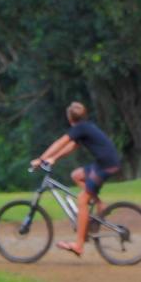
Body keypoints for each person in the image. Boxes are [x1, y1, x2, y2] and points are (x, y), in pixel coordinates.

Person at [30, 101, 121, 257]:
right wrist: (53, 158)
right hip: (105, 162)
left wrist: (40, 159)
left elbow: (60, 142)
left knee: (82, 200)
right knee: (76, 175)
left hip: (106, 165)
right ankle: (99, 204)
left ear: (69, 118)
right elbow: (71, 147)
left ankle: (79, 245)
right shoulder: (84, 127)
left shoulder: (80, 128)